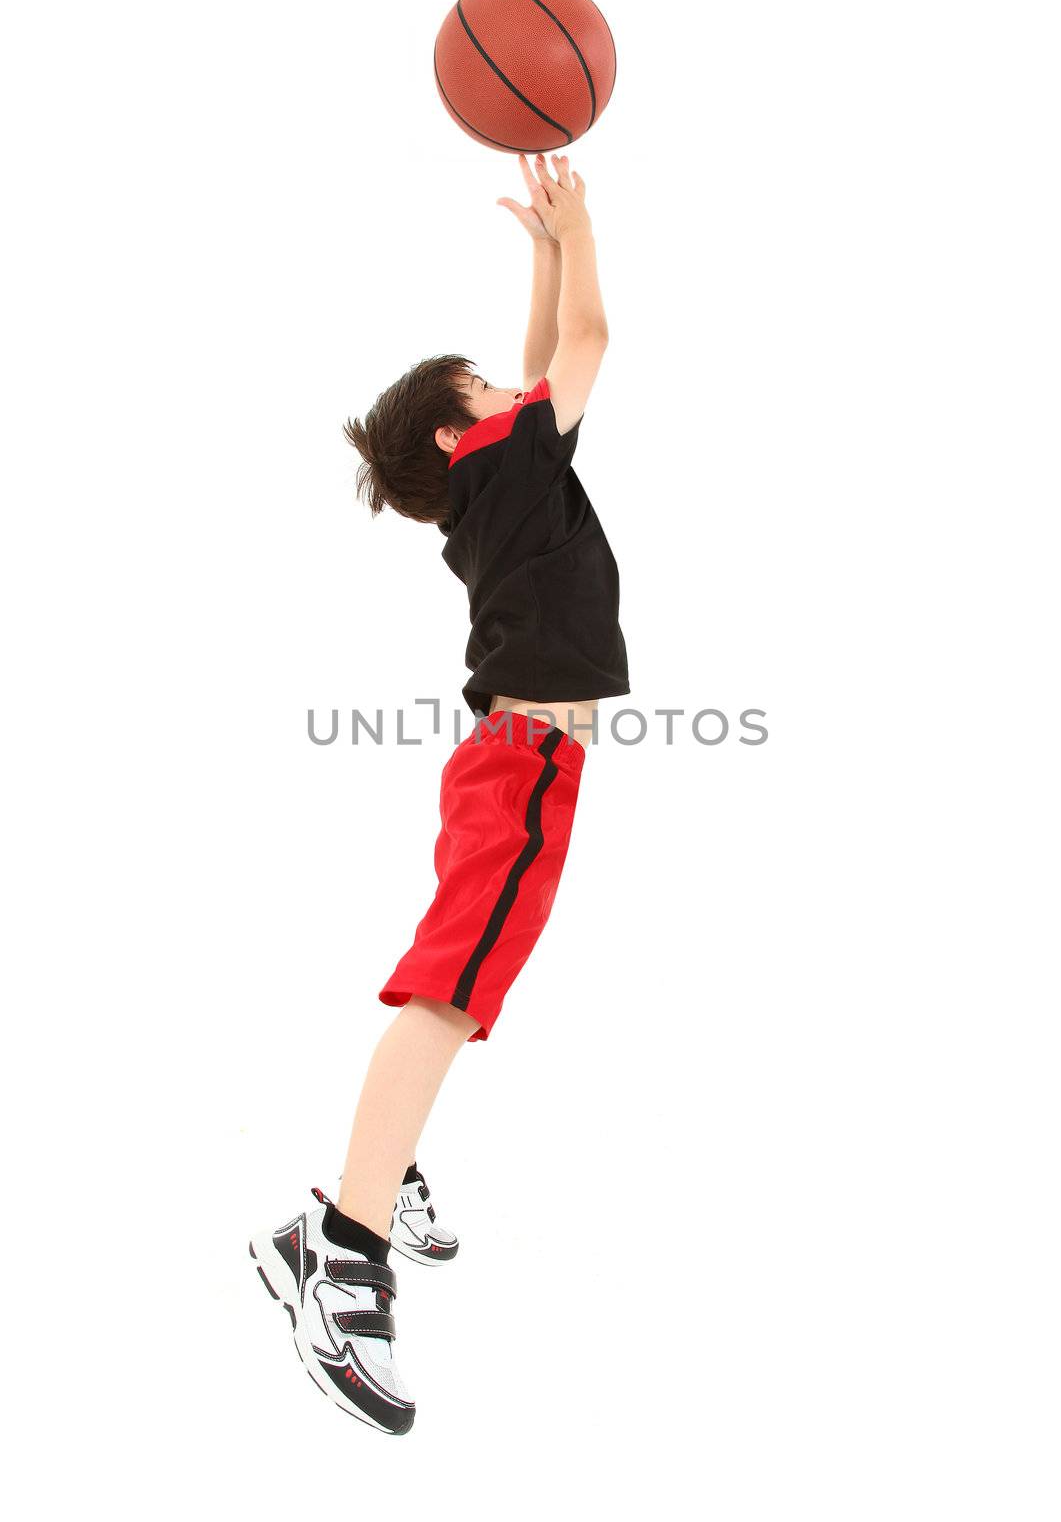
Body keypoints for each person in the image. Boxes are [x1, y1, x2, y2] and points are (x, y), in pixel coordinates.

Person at [250, 152, 628, 1433]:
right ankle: (338, 1242)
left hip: (518, 760)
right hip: (523, 761)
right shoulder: (508, 467)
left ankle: (385, 1160)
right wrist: (580, 238)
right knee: (449, 990)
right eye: (483, 385)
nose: (512, 385)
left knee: (457, 979)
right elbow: (589, 337)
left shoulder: (489, 477)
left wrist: (535, 250)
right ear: (459, 429)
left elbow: (536, 365)